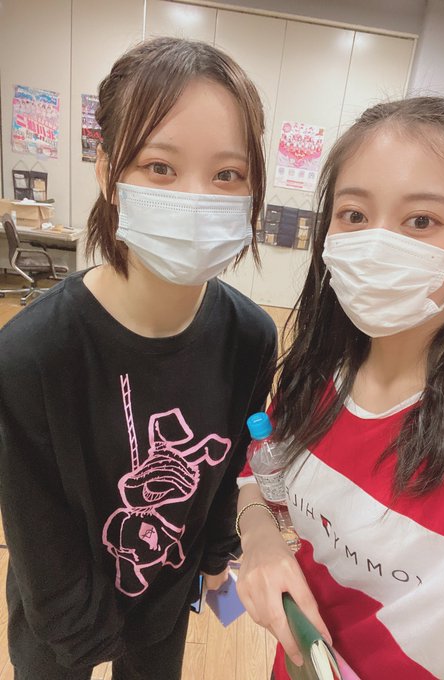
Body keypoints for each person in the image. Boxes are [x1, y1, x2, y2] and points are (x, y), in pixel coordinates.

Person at [0, 36, 277, 680]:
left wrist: (218, 561)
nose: (197, 198)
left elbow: (229, 466)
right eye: (159, 166)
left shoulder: (251, 337)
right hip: (58, 620)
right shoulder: (30, 354)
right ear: (107, 171)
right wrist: (84, 636)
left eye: (227, 174)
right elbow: (36, 529)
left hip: (163, 604)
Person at [236, 96, 444, 680]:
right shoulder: (318, 375)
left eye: (421, 221)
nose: (377, 242)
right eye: (355, 215)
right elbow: (261, 467)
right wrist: (259, 535)